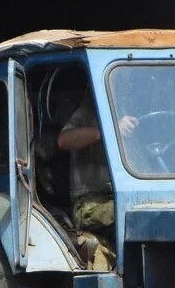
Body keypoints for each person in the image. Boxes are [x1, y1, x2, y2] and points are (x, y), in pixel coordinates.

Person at [56, 96, 137, 270]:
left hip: (123, 199)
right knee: (132, 217)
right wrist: (106, 131)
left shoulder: (131, 120)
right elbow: (63, 140)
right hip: (88, 204)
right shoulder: (91, 111)